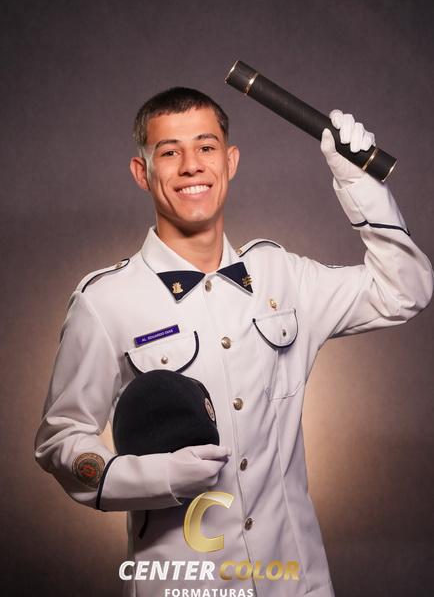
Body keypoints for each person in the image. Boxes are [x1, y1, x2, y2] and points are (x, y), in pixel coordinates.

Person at [34, 87, 433, 597]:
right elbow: (61, 440)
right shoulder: (105, 301)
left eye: (206, 147)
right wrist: (158, 477)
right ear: (142, 172)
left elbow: (406, 289)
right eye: (169, 152)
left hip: (297, 584)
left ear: (230, 161)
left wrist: (359, 181)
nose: (191, 166)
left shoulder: (282, 276)